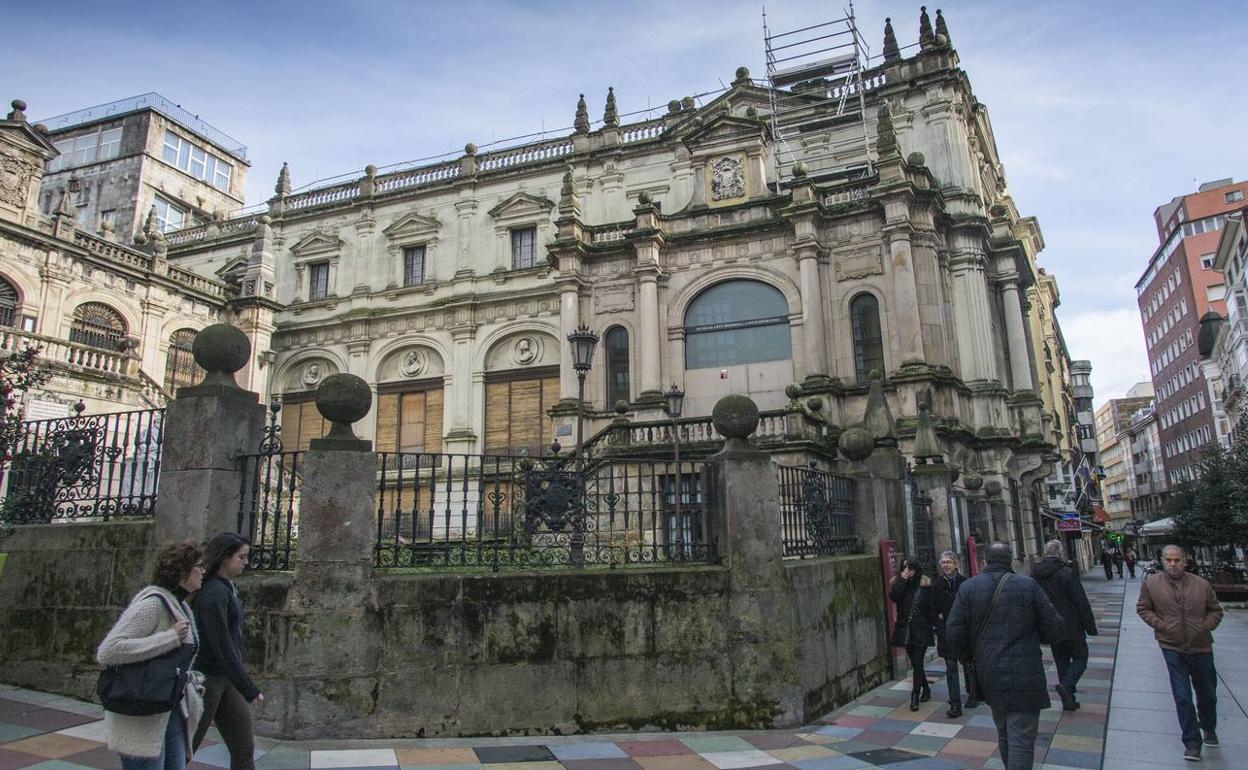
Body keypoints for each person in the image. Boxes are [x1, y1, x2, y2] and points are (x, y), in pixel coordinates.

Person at [946, 542, 1063, 770]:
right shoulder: (1028, 586)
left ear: (985, 561)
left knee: (1004, 729)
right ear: (1010, 561)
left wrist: (969, 659)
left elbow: (954, 631)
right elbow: (1055, 628)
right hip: (1026, 670)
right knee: (1021, 736)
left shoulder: (969, 588)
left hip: (989, 670)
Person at [98, 542, 205, 770]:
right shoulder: (154, 603)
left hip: (169, 707)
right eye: (199, 566)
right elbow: (109, 650)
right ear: (182, 571)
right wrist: (169, 638)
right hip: (141, 711)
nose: (203, 570)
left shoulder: (180, 605)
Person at [1136, 544, 1224, 762]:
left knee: (1208, 693)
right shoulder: (1151, 584)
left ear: (1186, 560)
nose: (1172, 564)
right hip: (1171, 646)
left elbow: (1215, 610)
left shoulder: (1201, 585)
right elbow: (1143, 608)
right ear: (1162, 560)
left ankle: (1209, 727)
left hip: (1201, 646)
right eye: (1168, 560)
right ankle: (1192, 742)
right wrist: (1162, 626)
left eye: (1177, 560)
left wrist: (1205, 627)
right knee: (1182, 696)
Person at [191, 534, 262, 770]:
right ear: (224, 558)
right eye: (241, 557)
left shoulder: (226, 588)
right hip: (208, 678)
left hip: (226, 679)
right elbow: (221, 644)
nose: (245, 562)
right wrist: (248, 688)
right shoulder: (213, 593)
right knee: (186, 747)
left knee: (243, 748)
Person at [1031, 540, 1098, 711]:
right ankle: (1067, 686)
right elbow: (1080, 601)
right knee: (1081, 657)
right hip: (1071, 624)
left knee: (1061, 661)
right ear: (1061, 553)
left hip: (1050, 625)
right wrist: (1090, 626)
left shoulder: (1035, 574)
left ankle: (1068, 700)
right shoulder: (1067, 573)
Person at [889, 557, 939, 711]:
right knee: (916, 662)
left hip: (922, 628)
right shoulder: (898, 584)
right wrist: (902, 580)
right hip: (906, 628)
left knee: (917, 661)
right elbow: (894, 597)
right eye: (904, 568)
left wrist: (937, 625)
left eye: (910, 568)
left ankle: (915, 695)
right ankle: (926, 688)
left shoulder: (925, 584)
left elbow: (932, 607)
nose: (907, 571)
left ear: (916, 569)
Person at [932, 550, 975, 717]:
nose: (945, 565)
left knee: (968, 666)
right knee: (951, 669)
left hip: (964, 632)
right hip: (946, 633)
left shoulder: (965, 584)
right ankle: (955, 703)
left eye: (948, 562)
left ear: (956, 564)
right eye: (943, 562)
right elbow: (933, 610)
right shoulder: (936, 586)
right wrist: (939, 624)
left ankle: (972, 694)